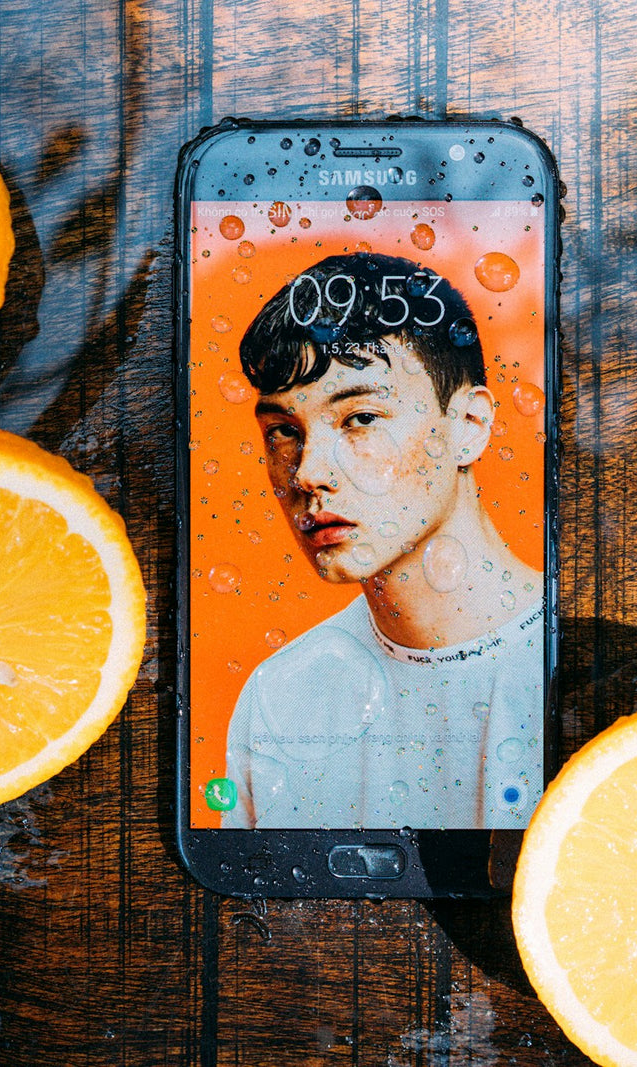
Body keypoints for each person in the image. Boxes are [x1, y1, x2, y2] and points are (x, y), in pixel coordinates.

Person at [221, 252, 546, 830]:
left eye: (361, 418)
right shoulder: (281, 697)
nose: (308, 473)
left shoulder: (589, 671)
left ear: (468, 426)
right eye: (284, 432)